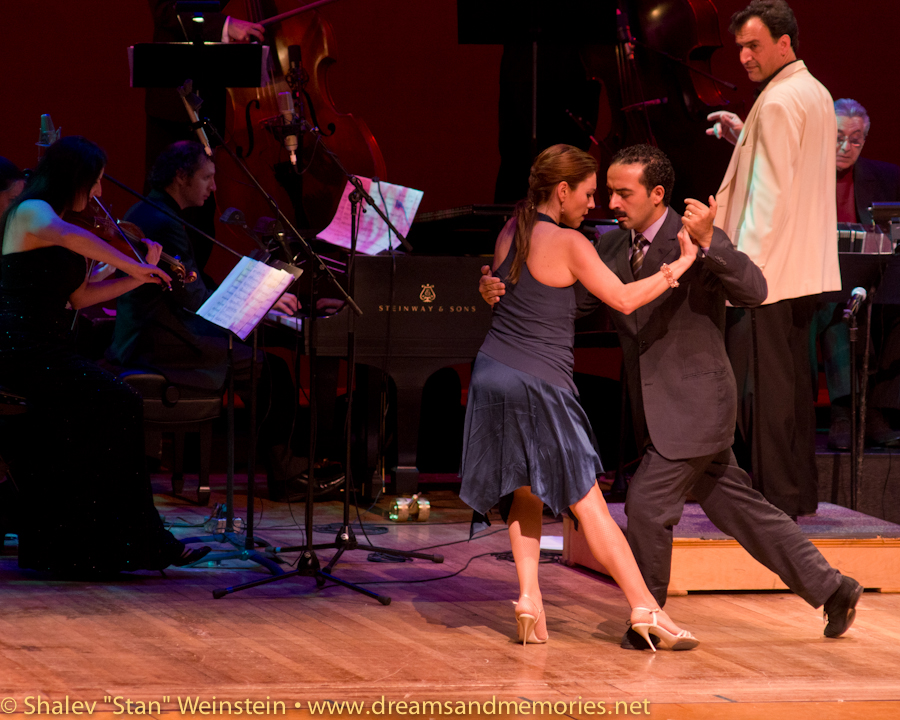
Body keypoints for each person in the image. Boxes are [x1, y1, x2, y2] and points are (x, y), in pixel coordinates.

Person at [480, 144, 863, 648]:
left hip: (697, 405)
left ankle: (649, 617)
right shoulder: (611, 248)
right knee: (740, 509)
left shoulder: (694, 238)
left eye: (623, 193)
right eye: (607, 191)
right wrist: (498, 289)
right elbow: (567, 304)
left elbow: (755, 289)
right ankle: (834, 588)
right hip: (658, 410)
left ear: (657, 194)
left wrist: (710, 245)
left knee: (645, 504)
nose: (610, 203)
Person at [463, 144, 700, 651]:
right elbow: (622, 299)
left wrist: (486, 284)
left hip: (492, 373)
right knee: (589, 504)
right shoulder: (569, 242)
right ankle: (646, 610)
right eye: (589, 194)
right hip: (538, 384)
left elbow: (500, 288)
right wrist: (679, 265)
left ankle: (529, 599)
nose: (594, 204)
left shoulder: (512, 228)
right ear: (563, 190)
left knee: (524, 491)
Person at [0, 136, 210, 575]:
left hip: (48, 348)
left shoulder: (59, 223)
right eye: (95, 182)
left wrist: (141, 278)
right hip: (19, 347)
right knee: (120, 402)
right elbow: (72, 236)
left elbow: (78, 297)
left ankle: (89, 544)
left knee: (105, 409)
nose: (99, 194)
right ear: (75, 178)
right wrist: (130, 262)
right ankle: (139, 538)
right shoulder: (32, 212)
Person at [107, 141, 309, 501]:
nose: (213, 187)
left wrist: (259, 302)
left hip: (154, 333)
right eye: (207, 177)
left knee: (264, 362)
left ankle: (284, 467)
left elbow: (197, 284)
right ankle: (285, 473)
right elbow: (195, 297)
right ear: (181, 176)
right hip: (163, 341)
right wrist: (261, 301)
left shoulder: (155, 211)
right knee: (271, 371)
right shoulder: (163, 221)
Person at [707, 0, 839, 518]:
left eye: (753, 45)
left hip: (772, 274)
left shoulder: (781, 101)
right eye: (739, 46)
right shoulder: (813, 92)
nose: (742, 55)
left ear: (785, 43)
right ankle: (795, 494)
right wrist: (748, 136)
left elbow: (770, 196)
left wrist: (744, 274)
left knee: (765, 396)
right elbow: (795, 165)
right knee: (792, 391)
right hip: (803, 270)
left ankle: (774, 500)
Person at [810, 98, 900, 449]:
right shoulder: (796, 175)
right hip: (807, 282)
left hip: (862, 281)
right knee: (836, 307)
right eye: (837, 137)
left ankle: (870, 408)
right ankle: (848, 412)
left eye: (856, 138)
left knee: (854, 302)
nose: (846, 147)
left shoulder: (888, 177)